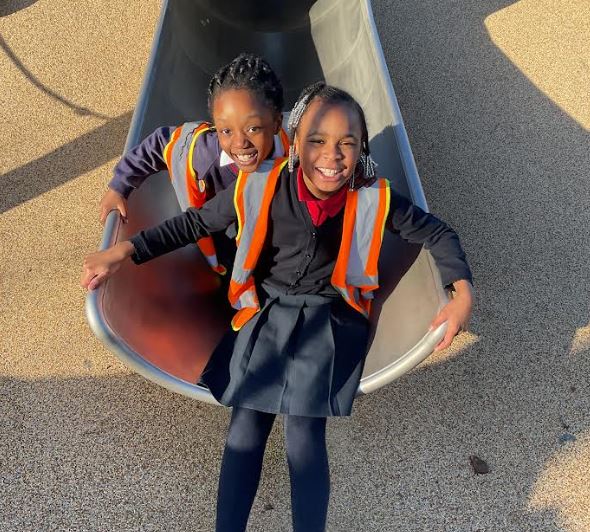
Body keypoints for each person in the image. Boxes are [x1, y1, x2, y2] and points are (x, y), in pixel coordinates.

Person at [81, 82, 474, 532]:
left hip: (330, 317)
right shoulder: (259, 186)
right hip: (265, 311)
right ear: (295, 143)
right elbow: (194, 223)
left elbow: (437, 232)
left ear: (361, 147)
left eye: (347, 143)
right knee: (245, 427)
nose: (332, 156)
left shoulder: (373, 195)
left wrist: (462, 291)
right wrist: (125, 250)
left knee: (304, 434)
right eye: (318, 140)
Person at [99, 52, 289, 273]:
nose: (240, 142)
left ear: (276, 124)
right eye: (226, 131)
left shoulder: (298, 147)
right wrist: (119, 185)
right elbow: (160, 143)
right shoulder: (205, 155)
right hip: (230, 245)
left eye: (253, 128)